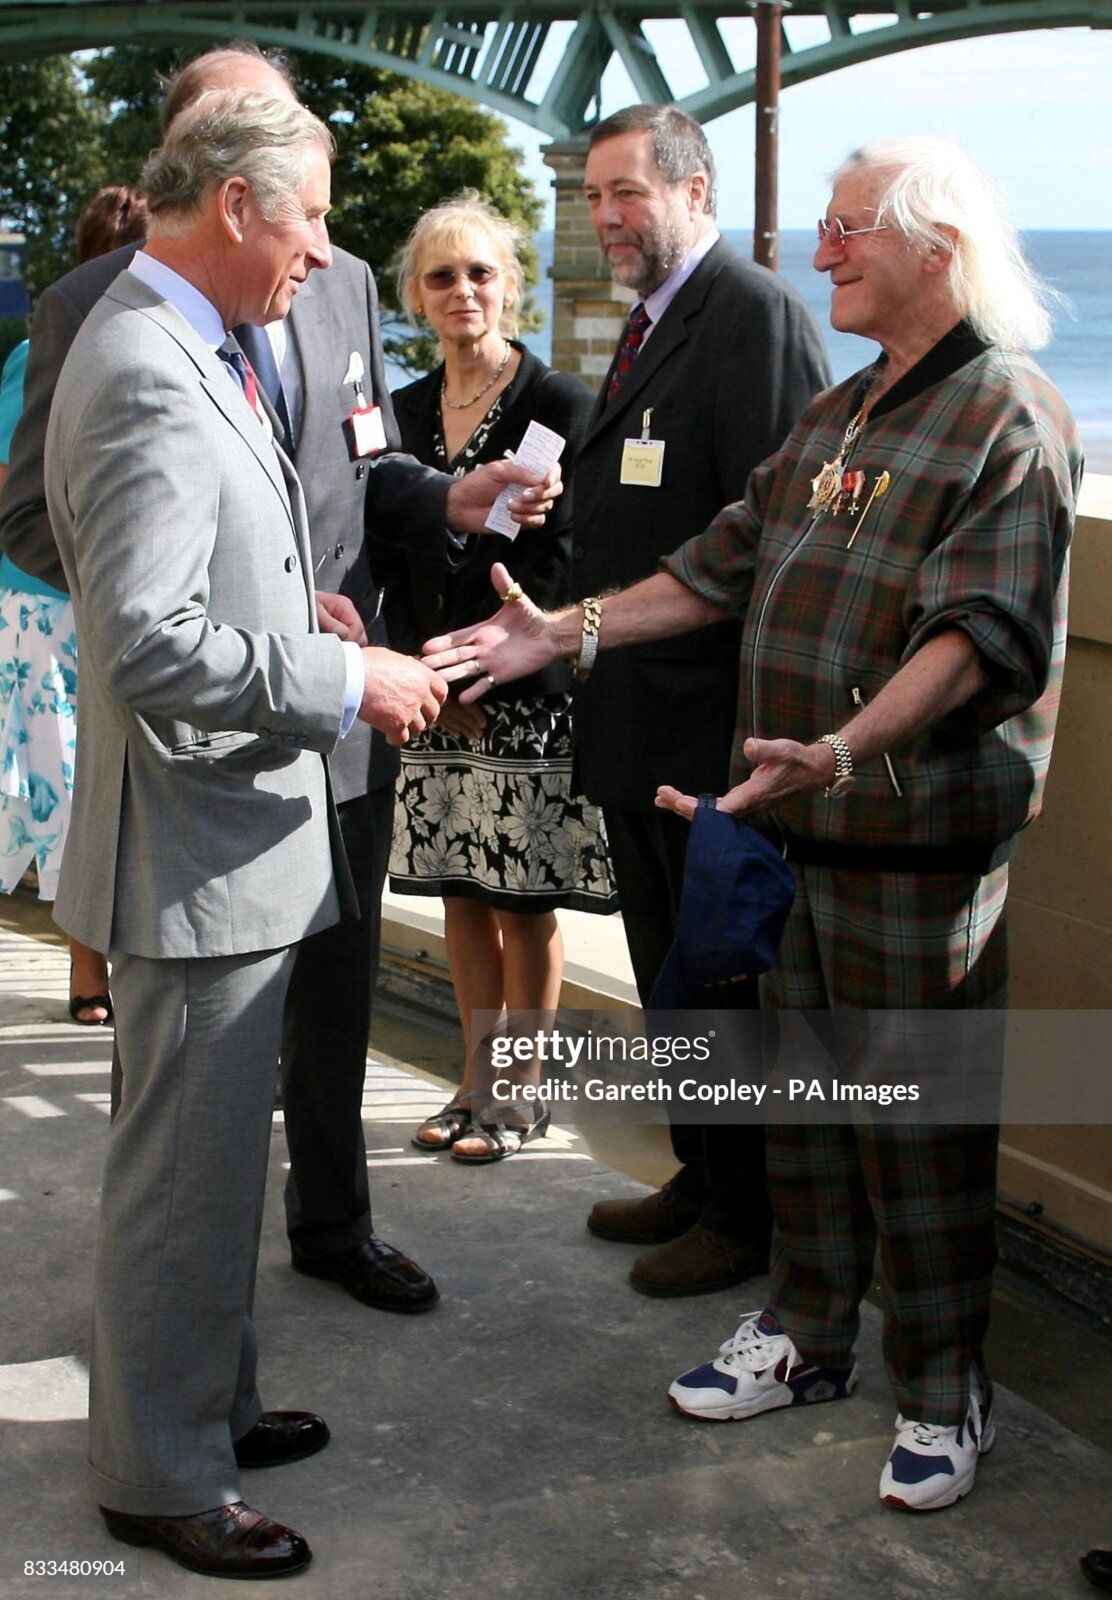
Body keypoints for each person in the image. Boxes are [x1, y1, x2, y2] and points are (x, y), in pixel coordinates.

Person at [421, 134, 1081, 1512]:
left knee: (914, 1128)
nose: (820, 249)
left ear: (936, 248)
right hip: (787, 838)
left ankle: (943, 1387)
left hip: (910, 849)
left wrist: (840, 750)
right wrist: (564, 632)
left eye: (848, 228)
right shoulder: (841, 415)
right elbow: (715, 565)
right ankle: (808, 1332)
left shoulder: (1008, 418)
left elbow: (975, 636)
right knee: (803, 1117)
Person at [0, 41, 558, 1316]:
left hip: (339, 707)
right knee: (193, 1081)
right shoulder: (101, 310)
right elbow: (47, 520)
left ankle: (331, 1223)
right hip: (215, 732)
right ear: (215, 173)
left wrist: (446, 495)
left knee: (334, 989)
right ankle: (187, 1339)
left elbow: (359, 464)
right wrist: (238, 609)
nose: (316, 231)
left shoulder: (339, 279)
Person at [43, 86, 453, 1579]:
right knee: (182, 1185)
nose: (325, 252)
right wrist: (346, 679)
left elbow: (196, 576)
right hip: (197, 850)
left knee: (209, 1176)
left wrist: (298, 610)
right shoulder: (149, 366)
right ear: (235, 205)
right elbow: (146, 640)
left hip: (216, 841)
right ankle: (157, 1475)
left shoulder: (173, 338)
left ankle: (203, 1411)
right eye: (313, 217)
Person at [570, 105, 830, 1296]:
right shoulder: (651, 321)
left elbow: (781, 539)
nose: (606, 217)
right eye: (593, 197)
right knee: (666, 968)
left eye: (626, 192)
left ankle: (746, 1213)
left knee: (721, 978)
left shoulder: (752, 316)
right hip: (634, 716)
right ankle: (701, 1169)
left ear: (693, 190)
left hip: (707, 731)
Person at [387, 192, 616, 1162]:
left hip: (523, 696)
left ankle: (523, 1093)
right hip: (431, 693)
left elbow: (568, 557)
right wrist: (429, 679)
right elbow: (387, 552)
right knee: (460, 895)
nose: (462, 291)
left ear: (510, 285)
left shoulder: (557, 405)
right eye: (441, 276)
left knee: (524, 904)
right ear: (417, 295)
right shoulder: (399, 412)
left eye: (480, 272)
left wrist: (482, 673)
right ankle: (472, 1083)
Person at [0, 186, 148, 1025]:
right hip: (50, 603)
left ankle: (106, 965)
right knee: (71, 786)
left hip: (108, 600)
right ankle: (89, 971)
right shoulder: (44, 350)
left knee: (106, 784)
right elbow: (10, 489)